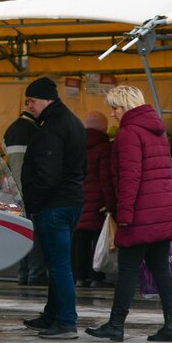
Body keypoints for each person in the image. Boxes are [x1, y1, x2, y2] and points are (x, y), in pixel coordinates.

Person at [86, 85, 172, 343]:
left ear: (126, 106)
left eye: (115, 107)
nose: (113, 113)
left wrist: (125, 216)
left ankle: (116, 324)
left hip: (141, 210)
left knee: (128, 268)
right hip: (163, 208)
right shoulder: (157, 131)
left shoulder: (128, 133)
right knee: (160, 268)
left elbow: (130, 178)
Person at [19, 77, 86, 340]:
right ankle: (51, 315)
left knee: (59, 266)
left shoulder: (52, 127)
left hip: (54, 205)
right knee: (58, 263)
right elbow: (83, 167)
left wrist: (34, 204)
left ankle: (67, 321)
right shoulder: (74, 123)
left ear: (46, 99)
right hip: (72, 201)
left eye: (32, 101)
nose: (30, 106)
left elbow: (47, 174)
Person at [4, 107, 47, 286]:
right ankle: (35, 274)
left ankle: (22, 274)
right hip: (33, 190)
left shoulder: (10, 130)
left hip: (15, 192)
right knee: (36, 235)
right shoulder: (37, 131)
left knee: (21, 234)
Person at [74, 111, 116, 288]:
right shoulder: (104, 148)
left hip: (78, 199)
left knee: (79, 240)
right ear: (105, 128)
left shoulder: (76, 145)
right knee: (98, 241)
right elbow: (106, 179)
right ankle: (96, 277)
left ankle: (80, 276)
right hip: (98, 202)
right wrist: (111, 204)